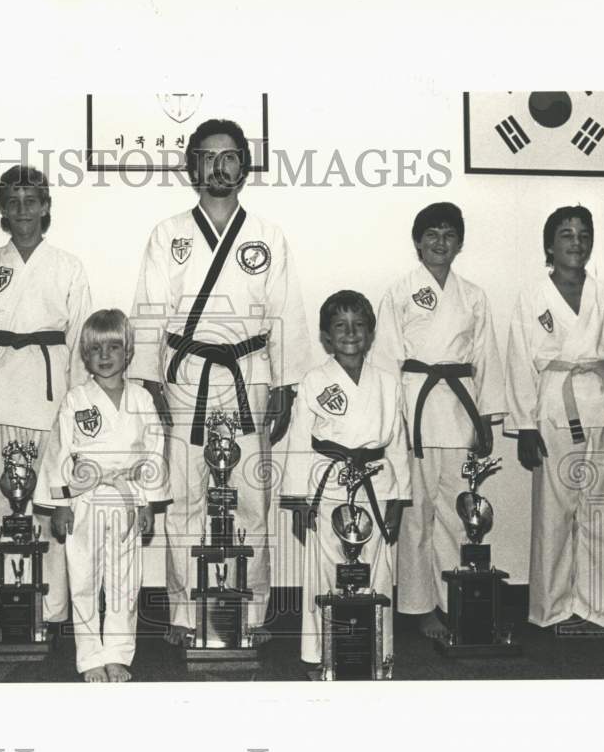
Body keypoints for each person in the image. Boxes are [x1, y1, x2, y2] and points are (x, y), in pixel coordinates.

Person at [129, 118, 312, 645]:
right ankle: (186, 614)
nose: (220, 166)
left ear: (244, 165)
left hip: (249, 372)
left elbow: (286, 312)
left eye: (230, 156)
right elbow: (149, 310)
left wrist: (285, 384)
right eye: (208, 157)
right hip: (187, 373)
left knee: (251, 493)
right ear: (193, 168)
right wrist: (150, 382)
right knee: (186, 493)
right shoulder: (168, 234)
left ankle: (251, 613)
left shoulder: (268, 236)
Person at [0, 165, 91, 629]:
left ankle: (50, 609)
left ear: (47, 206)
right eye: (14, 201)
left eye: (32, 200)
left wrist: (78, 404)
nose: (23, 210)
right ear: (2, 211)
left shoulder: (67, 266)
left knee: (50, 502)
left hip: (51, 396)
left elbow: (80, 339)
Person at [505, 205, 604, 633]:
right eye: (566, 234)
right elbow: (518, 361)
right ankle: (550, 609)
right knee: (554, 513)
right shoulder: (533, 296)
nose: (576, 242)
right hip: (553, 407)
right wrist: (525, 426)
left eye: (584, 234)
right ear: (550, 244)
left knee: (602, 510)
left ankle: (598, 610)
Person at [372, 202, 506, 640]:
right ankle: (417, 606)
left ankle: (456, 601)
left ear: (460, 242)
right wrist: (389, 419)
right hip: (415, 409)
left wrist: (486, 418)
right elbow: (388, 357)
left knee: (458, 510)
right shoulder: (399, 291)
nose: (440, 242)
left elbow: (486, 355)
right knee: (415, 513)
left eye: (449, 234)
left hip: (459, 407)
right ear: (417, 241)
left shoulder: (474, 295)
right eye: (431, 234)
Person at [37, 309, 169, 681]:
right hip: (85, 497)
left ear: (128, 352)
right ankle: (90, 655)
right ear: (85, 355)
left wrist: (148, 502)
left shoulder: (142, 398)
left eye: (114, 347)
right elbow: (60, 453)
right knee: (82, 579)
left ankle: (118, 653)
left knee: (125, 581)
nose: (106, 356)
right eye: (97, 349)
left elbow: (154, 452)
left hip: (127, 495)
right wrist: (60, 504)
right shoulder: (76, 399)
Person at [281, 290, 410, 668]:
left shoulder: (388, 382)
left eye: (359, 326)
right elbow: (300, 440)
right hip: (328, 483)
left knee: (377, 568)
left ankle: (377, 647)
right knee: (325, 568)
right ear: (326, 335)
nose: (350, 333)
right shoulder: (313, 381)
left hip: (377, 482)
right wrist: (298, 499)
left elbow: (399, 443)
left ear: (370, 333)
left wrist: (400, 499)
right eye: (340, 326)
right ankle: (321, 650)